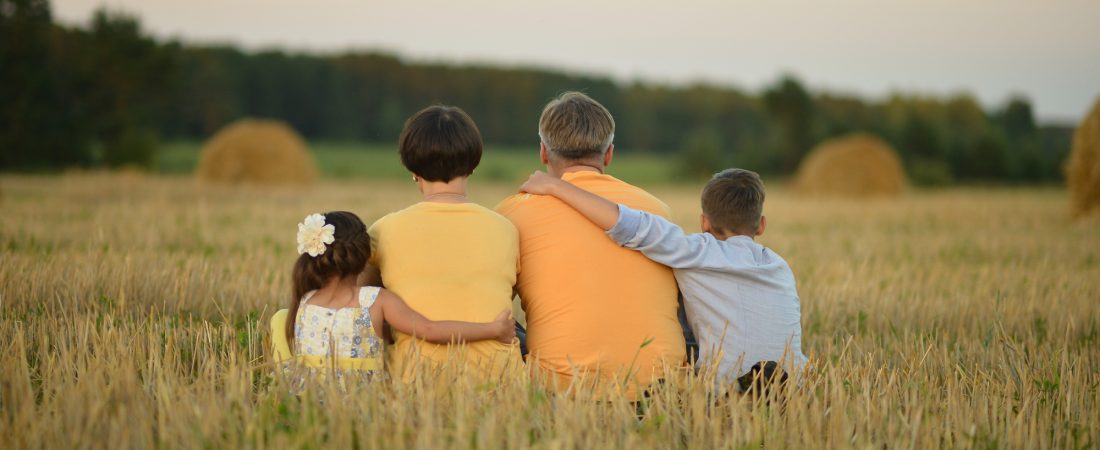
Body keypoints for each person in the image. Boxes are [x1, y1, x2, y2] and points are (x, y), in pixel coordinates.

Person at [519, 168, 808, 389]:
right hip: (795, 379)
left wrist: (555, 185)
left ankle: (742, 384)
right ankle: (773, 382)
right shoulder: (779, 266)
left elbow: (627, 224)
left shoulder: (698, 251)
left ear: (704, 222)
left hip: (724, 386)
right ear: (761, 224)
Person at [495, 92, 685, 395]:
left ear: (543, 153)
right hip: (659, 387)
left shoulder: (512, 213)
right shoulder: (657, 210)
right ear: (609, 154)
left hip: (561, 387)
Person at [368, 105, 522, 380]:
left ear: (411, 167)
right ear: (473, 164)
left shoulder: (383, 230)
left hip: (415, 378)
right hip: (498, 380)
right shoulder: (505, 229)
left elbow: (364, 300)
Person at [272, 211, 515, 383]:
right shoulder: (375, 300)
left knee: (278, 320)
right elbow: (430, 330)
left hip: (306, 398)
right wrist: (494, 329)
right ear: (365, 256)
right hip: (358, 404)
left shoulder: (306, 300)